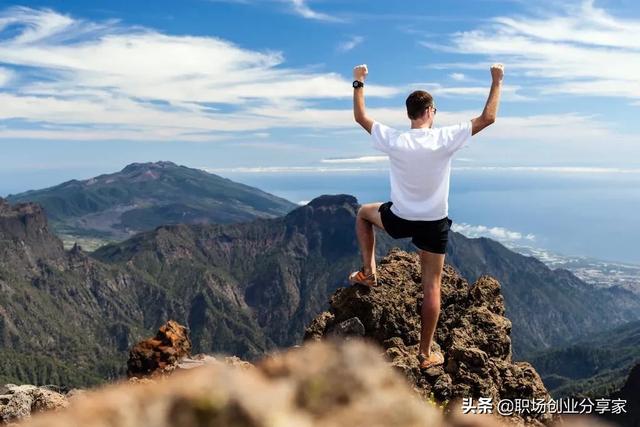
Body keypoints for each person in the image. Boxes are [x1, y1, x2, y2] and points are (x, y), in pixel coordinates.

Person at [348, 62, 504, 369]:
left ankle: (368, 272)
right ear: (430, 111)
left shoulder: (395, 139)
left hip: (400, 218)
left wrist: (359, 82)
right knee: (431, 287)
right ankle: (424, 353)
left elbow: (360, 117)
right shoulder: (443, 139)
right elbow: (489, 118)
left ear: (409, 114)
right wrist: (497, 80)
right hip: (434, 223)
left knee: (363, 214)